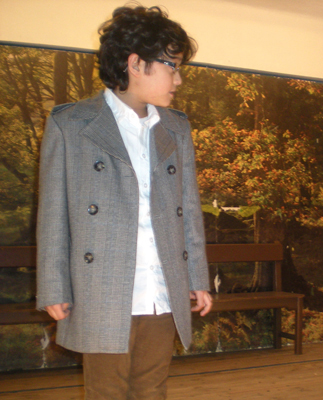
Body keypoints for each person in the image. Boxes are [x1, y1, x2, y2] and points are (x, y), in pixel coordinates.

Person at [36, 5, 212, 399]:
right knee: (106, 391)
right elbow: (53, 214)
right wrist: (53, 286)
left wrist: (197, 277)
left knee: (152, 389)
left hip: (162, 286)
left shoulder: (175, 128)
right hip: (101, 285)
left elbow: (188, 209)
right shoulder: (71, 123)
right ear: (136, 64)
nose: (178, 79)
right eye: (172, 66)